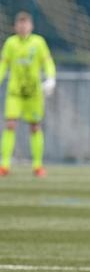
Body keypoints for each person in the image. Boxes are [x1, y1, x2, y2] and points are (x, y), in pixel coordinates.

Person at [0, 11, 56, 177]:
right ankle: (4, 165)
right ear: (15, 26)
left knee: (35, 126)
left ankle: (37, 166)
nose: (23, 27)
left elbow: (47, 62)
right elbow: (3, 65)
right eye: (20, 24)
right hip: (15, 93)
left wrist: (51, 78)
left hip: (34, 93)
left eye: (25, 24)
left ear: (31, 26)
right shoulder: (10, 43)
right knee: (10, 124)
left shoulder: (38, 43)